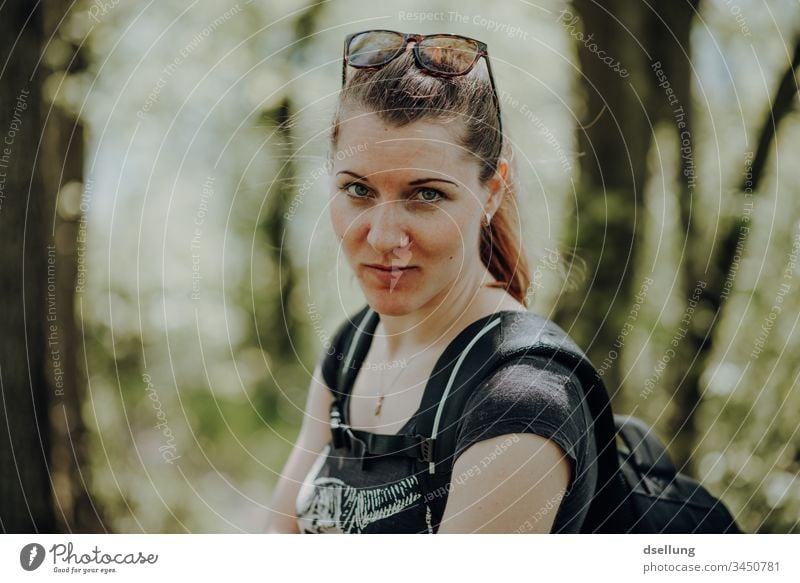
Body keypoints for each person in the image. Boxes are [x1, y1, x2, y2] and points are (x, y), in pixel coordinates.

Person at [265, 29, 597, 534]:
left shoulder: (521, 399)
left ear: (491, 192)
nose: (381, 237)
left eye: (427, 195)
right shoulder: (353, 345)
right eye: (357, 189)